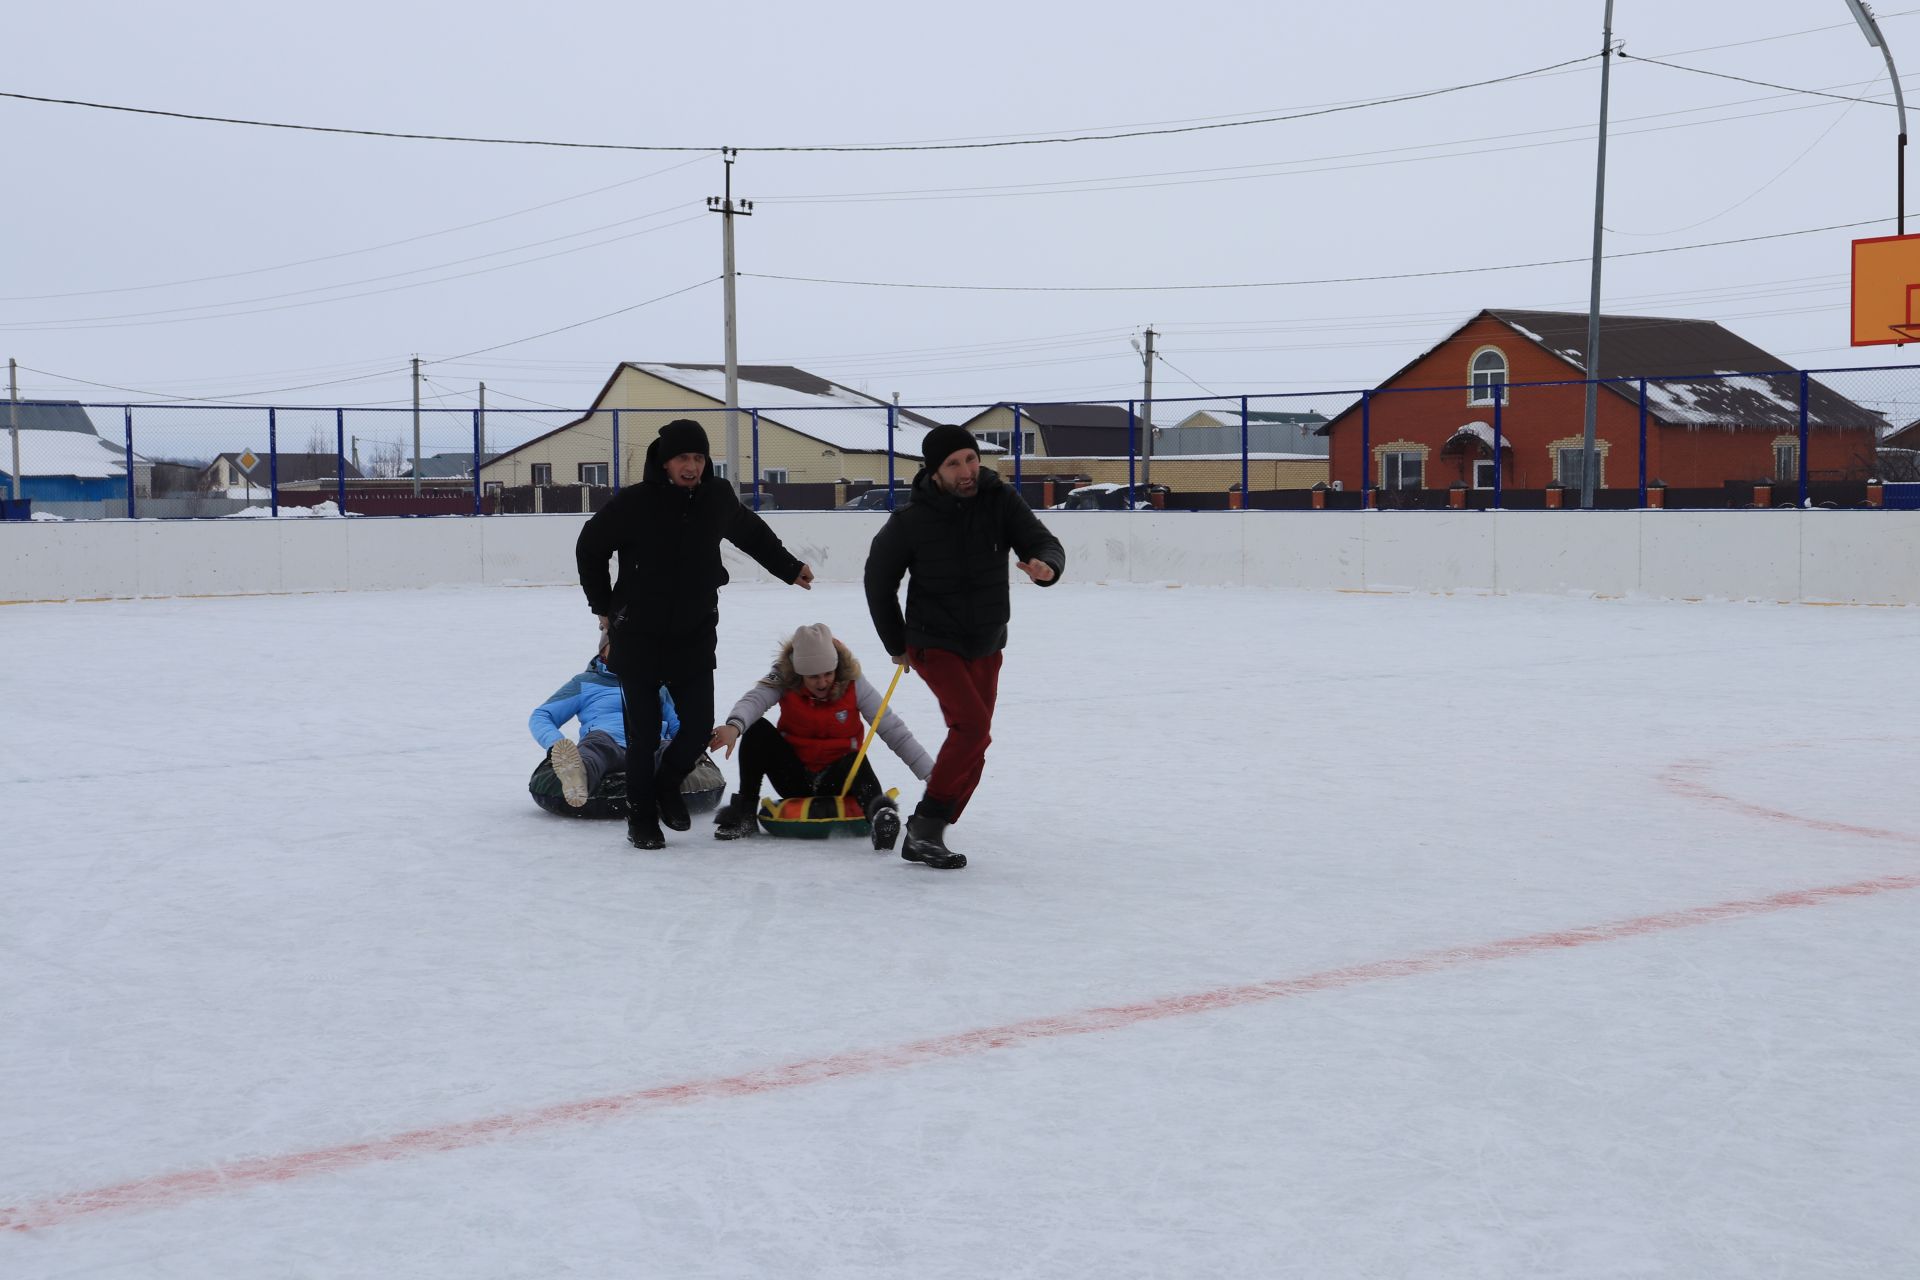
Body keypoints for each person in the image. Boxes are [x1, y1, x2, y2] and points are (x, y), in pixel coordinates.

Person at [576, 419, 814, 851]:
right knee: (644, 733)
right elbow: (590, 546)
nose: (692, 466)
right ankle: (641, 817)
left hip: (693, 632)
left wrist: (787, 566)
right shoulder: (635, 503)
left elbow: (751, 533)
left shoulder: (716, 497)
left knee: (698, 725)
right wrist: (604, 606)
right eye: (683, 457)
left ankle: (668, 784)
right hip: (640, 636)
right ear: (664, 461)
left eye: (699, 457)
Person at [863, 425, 1066, 870]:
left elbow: (1042, 541)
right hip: (932, 640)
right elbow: (878, 581)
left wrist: (1047, 566)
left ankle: (933, 825)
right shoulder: (911, 521)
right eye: (954, 464)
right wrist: (896, 643)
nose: (967, 470)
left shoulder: (1000, 500)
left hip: (987, 640)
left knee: (977, 740)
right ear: (935, 472)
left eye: (970, 459)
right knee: (972, 729)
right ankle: (925, 827)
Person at [707, 622, 935, 850]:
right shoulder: (784, 676)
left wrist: (934, 777)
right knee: (756, 730)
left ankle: (880, 817)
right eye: (814, 676)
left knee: (857, 760)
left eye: (828, 674)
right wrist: (734, 727)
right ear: (799, 672)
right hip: (793, 775)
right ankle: (744, 813)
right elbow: (755, 700)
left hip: (839, 777)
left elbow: (894, 731)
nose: (823, 682)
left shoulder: (854, 682)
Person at [527, 623, 724, 819]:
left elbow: (677, 724)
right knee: (591, 753)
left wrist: (695, 743)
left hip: (653, 744)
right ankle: (576, 775)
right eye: (619, 645)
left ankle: (673, 782)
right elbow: (542, 715)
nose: (628, 651)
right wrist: (555, 744)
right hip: (605, 740)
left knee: (669, 753)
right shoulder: (585, 683)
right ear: (603, 650)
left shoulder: (658, 685)